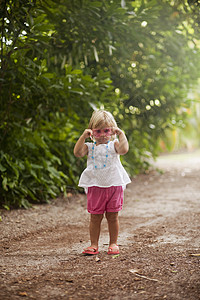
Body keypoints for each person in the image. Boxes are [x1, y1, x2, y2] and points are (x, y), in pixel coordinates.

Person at [74, 110, 131, 255]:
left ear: (112, 131)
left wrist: (121, 134)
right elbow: (77, 153)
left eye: (106, 131)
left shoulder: (114, 145)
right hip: (95, 186)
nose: (103, 134)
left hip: (114, 185)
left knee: (113, 216)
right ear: (92, 132)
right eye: (98, 131)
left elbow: (124, 150)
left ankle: (113, 243)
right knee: (95, 217)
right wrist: (83, 137)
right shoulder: (89, 147)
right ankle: (94, 244)